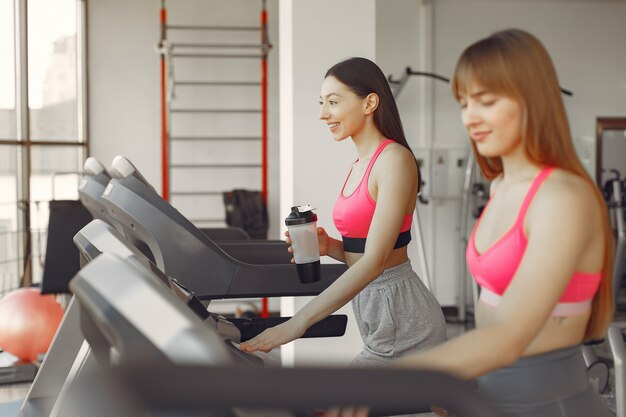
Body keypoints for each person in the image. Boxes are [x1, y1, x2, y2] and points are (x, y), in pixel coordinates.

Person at [386, 29, 614, 417]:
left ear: (533, 101)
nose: (470, 118)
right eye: (464, 103)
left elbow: (509, 336)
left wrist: (394, 379)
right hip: (494, 395)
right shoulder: (502, 186)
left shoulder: (563, 197)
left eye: (486, 102)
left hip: (546, 402)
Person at [240, 57, 447, 365]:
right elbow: (371, 250)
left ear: (370, 103)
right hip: (378, 311)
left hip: (402, 315)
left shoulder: (393, 160)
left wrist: (299, 322)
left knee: (348, 404)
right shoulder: (359, 165)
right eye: (322, 103)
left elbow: (376, 262)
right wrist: (331, 247)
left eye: (333, 102)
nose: (324, 114)